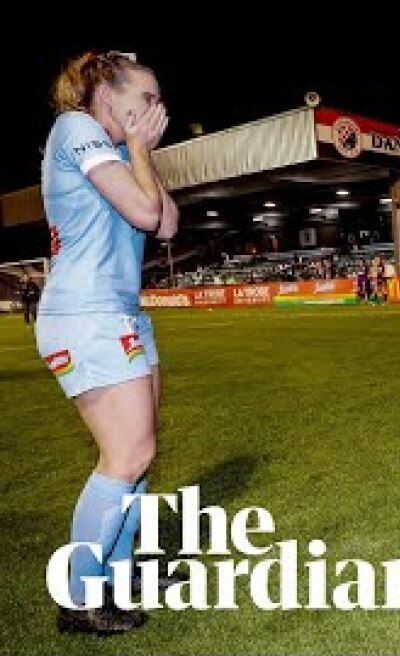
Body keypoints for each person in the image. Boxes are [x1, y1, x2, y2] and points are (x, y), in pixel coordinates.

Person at [35, 51, 179, 635]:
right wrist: (141, 150)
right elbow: (146, 212)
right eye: (147, 97)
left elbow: (167, 225)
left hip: (121, 312)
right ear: (107, 94)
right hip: (85, 314)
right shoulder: (77, 129)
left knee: (139, 454)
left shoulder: (116, 149)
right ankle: (78, 597)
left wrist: (139, 151)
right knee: (125, 456)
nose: (156, 109)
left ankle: (120, 571)